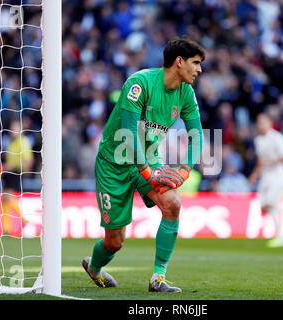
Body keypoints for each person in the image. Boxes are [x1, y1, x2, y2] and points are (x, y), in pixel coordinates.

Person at [81, 36, 205, 292]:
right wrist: (148, 172)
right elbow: (128, 135)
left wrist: (184, 170)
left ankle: (158, 278)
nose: (199, 69)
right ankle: (94, 267)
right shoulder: (139, 84)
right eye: (195, 62)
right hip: (113, 165)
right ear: (179, 62)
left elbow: (197, 135)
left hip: (147, 159)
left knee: (172, 204)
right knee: (115, 242)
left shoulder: (186, 93)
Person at [249, 113, 283, 248]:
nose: (260, 125)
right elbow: (260, 161)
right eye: (258, 122)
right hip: (265, 176)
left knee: (271, 205)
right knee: (263, 208)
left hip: (277, 175)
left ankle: (280, 237)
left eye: (263, 122)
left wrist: (271, 162)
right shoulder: (258, 140)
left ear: (270, 123)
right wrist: (254, 175)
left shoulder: (276, 137)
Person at [1, 119, 34, 235]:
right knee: (4, 198)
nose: (12, 131)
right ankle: (6, 229)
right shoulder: (12, 142)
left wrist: (24, 169)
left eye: (15, 128)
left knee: (7, 197)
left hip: (16, 172)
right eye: (11, 128)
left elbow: (28, 159)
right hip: (9, 172)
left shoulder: (23, 141)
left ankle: (24, 220)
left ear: (20, 130)